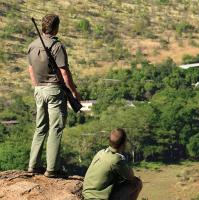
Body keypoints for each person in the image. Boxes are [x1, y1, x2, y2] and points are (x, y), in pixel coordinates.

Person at [27, 14, 81, 177]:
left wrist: (37, 86)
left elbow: (30, 69)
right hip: (54, 91)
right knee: (55, 128)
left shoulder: (32, 45)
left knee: (40, 127)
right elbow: (64, 73)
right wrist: (74, 92)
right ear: (56, 28)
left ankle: (33, 165)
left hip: (39, 90)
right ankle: (52, 169)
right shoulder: (57, 46)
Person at [83, 128, 142, 200]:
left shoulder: (100, 152)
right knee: (136, 183)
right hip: (98, 198)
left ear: (109, 141)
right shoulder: (116, 160)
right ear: (123, 144)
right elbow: (130, 176)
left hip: (87, 195)